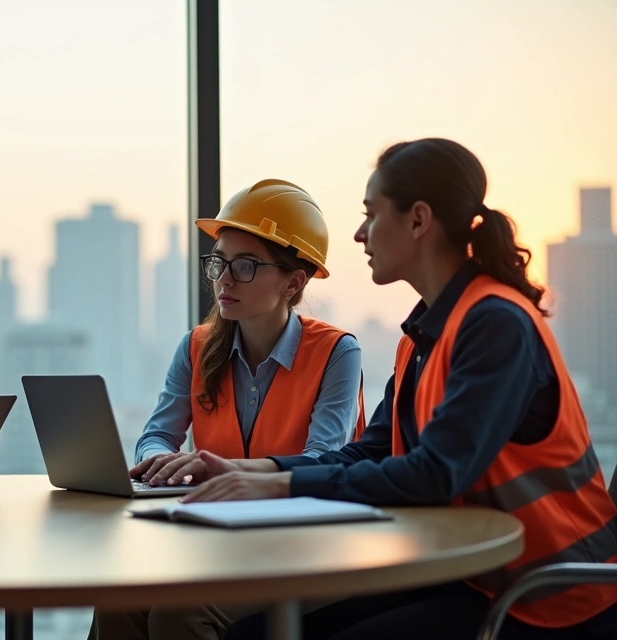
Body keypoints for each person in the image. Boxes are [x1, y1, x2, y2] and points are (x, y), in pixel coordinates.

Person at [154, 139, 617, 640]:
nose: (359, 233)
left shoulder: (495, 324)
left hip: (548, 593)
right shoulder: (422, 336)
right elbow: (369, 452)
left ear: (418, 221)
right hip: (464, 574)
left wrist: (276, 484)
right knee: (248, 633)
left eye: (371, 215)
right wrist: (254, 469)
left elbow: (436, 474)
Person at [89, 179, 366, 640]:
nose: (224, 278)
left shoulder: (338, 352)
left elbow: (325, 461)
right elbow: (158, 432)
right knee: (118, 599)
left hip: (306, 543)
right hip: (214, 537)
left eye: (245, 265)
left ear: (294, 282)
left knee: (179, 614)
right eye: (218, 261)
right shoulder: (196, 346)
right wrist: (162, 459)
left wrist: (219, 470)